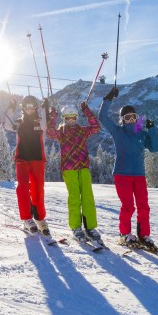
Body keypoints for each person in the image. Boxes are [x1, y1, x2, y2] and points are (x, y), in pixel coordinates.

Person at [99, 87, 158, 251]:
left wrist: (152, 129)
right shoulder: (118, 132)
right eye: (127, 117)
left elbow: (154, 148)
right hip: (122, 174)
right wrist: (108, 99)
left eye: (134, 117)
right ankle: (124, 234)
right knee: (128, 206)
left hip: (139, 175)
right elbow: (102, 117)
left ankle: (144, 235)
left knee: (143, 206)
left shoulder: (141, 133)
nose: (131, 120)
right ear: (122, 120)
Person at [46, 101, 101, 243]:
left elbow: (95, 127)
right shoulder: (61, 132)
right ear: (64, 119)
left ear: (77, 118)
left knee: (87, 196)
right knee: (75, 197)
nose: (71, 121)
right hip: (69, 168)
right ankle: (76, 227)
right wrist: (53, 115)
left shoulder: (82, 130)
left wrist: (86, 110)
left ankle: (90, 227)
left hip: (83, 166)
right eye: (67, 118)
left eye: (73, 118)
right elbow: (50, 132)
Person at [4, 95, 49, 235]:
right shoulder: (19, 123)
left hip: (37, 159)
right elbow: (6, 124)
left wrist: (44, 108)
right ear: (23, 108)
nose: (30, 109)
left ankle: (40, 218)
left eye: (32, 106)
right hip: (22, 159)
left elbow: (45, 126)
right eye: (27, 106)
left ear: (36, 107)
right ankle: (27, 219)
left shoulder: (40, 121)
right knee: (22, 187)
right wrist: (11, 107)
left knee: (38, 189)